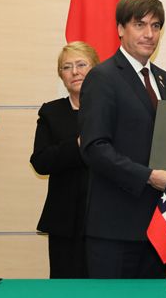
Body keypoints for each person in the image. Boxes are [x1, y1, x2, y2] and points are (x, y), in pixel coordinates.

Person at [78, 0, 166, 279]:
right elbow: (94, 147)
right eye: (139, 25)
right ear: (120, 29)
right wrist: (147, 176)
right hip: (115, 227)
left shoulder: (165, 80)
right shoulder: (102, 77)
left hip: (156, 224)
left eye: (156, 26)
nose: (149, 34)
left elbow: (165, 137)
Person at [30, 41, 100, 278]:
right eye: (67, 67)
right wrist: (78, 145)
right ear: (61, 75)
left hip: (106, 218)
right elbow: (40, 161)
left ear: (96, 70)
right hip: (65, 219)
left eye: (82, 64)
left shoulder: (111, 109)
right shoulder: (51, 112)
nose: (75, 72)